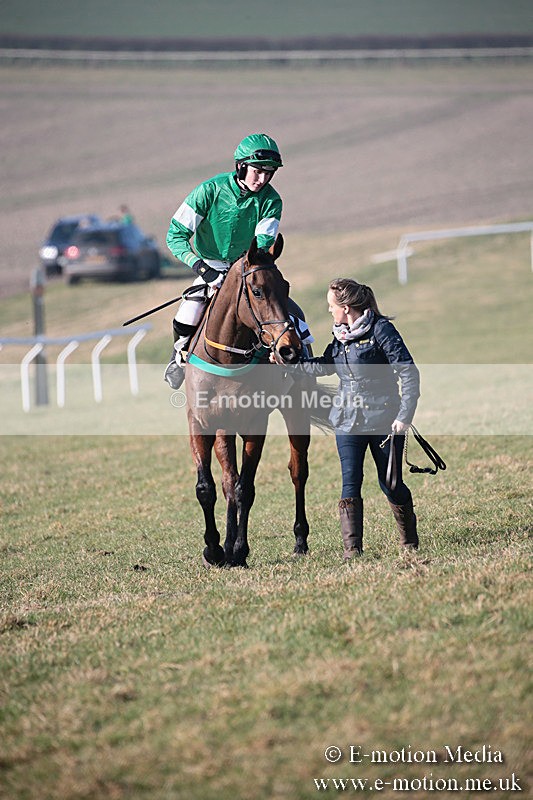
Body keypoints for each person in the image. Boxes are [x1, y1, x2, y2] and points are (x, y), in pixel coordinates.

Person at [163, 133, 312, 389]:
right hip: (211, 266)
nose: (262, 179)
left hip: (249, 266)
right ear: (241, 166)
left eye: (269, 173)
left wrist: (243, 270)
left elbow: (263, 243)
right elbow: (175, 236)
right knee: (187, 314)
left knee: (286, 313)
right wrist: (203, 269)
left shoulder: (272, 200)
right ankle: (179, 358)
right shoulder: (208, 190)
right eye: (257, 171)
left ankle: (302, 362)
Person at [297, 278, 420, 558]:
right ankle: (352, 549)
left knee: (391, 485)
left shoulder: (381, 329)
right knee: (350, 482)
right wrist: (291, 364)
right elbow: (325, 366)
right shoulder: (340, 336)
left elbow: (408, 372)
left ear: (346, 307)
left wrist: (405, 415)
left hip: (385, 420)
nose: (329, 310)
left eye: (331, 305)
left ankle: (409, 541)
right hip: (347, 420)